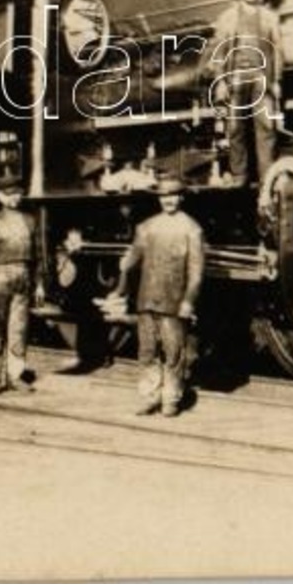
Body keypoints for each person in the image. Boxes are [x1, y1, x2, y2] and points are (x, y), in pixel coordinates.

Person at [113, 175, 205, 416]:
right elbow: (130, 263)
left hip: (174, 302)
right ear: (159, 199)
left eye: (173, 195)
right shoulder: (146, 227)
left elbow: (196, 273)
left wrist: (188, 301)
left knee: (174, 353)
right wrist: (120, 289)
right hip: (146, 299)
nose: (169, 200)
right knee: (147, 351)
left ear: (181, 198)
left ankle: (170, 399)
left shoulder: (192, 229)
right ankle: (149, 396)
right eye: (165, 196)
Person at [206, 0, 282, 186]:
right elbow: (219, 51)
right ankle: (240, 175)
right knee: (235, 128)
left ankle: (267, 177)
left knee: (266, 127)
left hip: (262, 78)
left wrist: (276, 80)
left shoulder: (270, 18)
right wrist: (220, 81)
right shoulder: (227, 18)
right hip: (235, 78)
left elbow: (277, 50)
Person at [0, 175, 41, 394]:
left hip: (23, 275)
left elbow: (38, 255)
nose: (14, 198)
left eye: (17, 193)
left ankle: (16, 375)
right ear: (0, 197)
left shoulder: (31, 221)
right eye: (9, 194)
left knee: (19, 329)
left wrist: (39, 283)